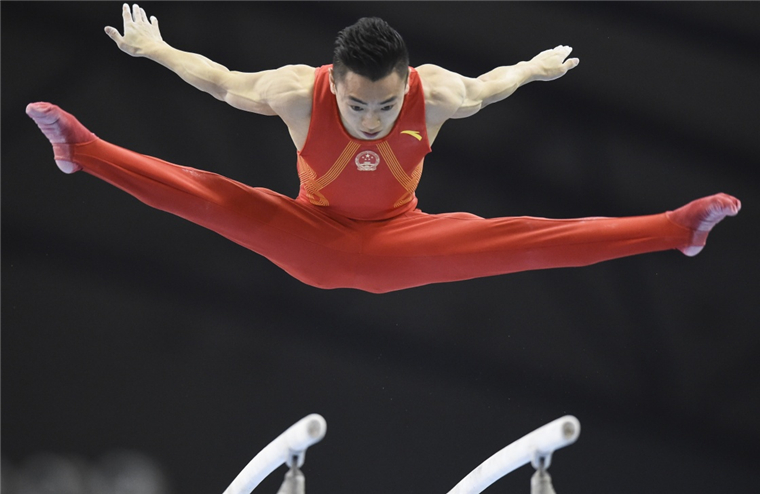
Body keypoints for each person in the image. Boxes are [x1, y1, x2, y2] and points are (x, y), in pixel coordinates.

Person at [27, 4, 740, 294]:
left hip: (402, 240)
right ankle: (83, 151)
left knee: (526, 240)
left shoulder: (440, 94)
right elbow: (219, 81)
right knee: (211, 197)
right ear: (334, 83)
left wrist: (531, 68)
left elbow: (490, 85)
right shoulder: (296, 92)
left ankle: (676, 230)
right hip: (309, 235)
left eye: (387, 105)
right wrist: (156, 49)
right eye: (358, 105)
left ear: (407, 84)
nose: (372, 120)